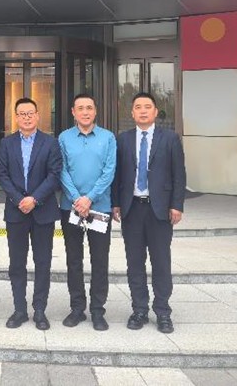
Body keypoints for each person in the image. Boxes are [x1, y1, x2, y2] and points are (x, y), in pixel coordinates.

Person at [112, 92, 186, 334]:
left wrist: (177, 205)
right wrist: (116, 203)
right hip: (132, 208)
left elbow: (179, 174)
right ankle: (139, 310)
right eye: (138, 107)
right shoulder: (123, 139)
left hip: (160, 210)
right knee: (134, 262)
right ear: (132, 112)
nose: (143, 111)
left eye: (147, 107)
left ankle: (163, 312)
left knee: (161, 262)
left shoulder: (170, 138)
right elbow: (117, 175)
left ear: (155, 112)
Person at [0, 97, 62, 331]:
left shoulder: (50, 143)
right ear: (16, 117)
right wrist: (19, 199)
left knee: (42, 262)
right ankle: (19, 310)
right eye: (22, 113)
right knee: (17, 263)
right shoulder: (6, 143)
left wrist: (34, 199)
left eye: (30, 113)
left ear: (37, 115)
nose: (26, 117)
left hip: (43, 211)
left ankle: (40, 310)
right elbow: (2, 174)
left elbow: (55, 175)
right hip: (16, 212)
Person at [58, 93, 116, 331]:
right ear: (73, 112)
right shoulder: (64, 138)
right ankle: (77, 309)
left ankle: (97, 310)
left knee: (100, 260)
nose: (85, 112)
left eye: (89, 108)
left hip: (99, 208)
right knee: (74, 260)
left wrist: (89, 198)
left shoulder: (108, 137)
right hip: (70, 208)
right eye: (80, 108)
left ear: (95, 111)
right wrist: (77, 199)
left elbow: (109, 171)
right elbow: (62, 170)